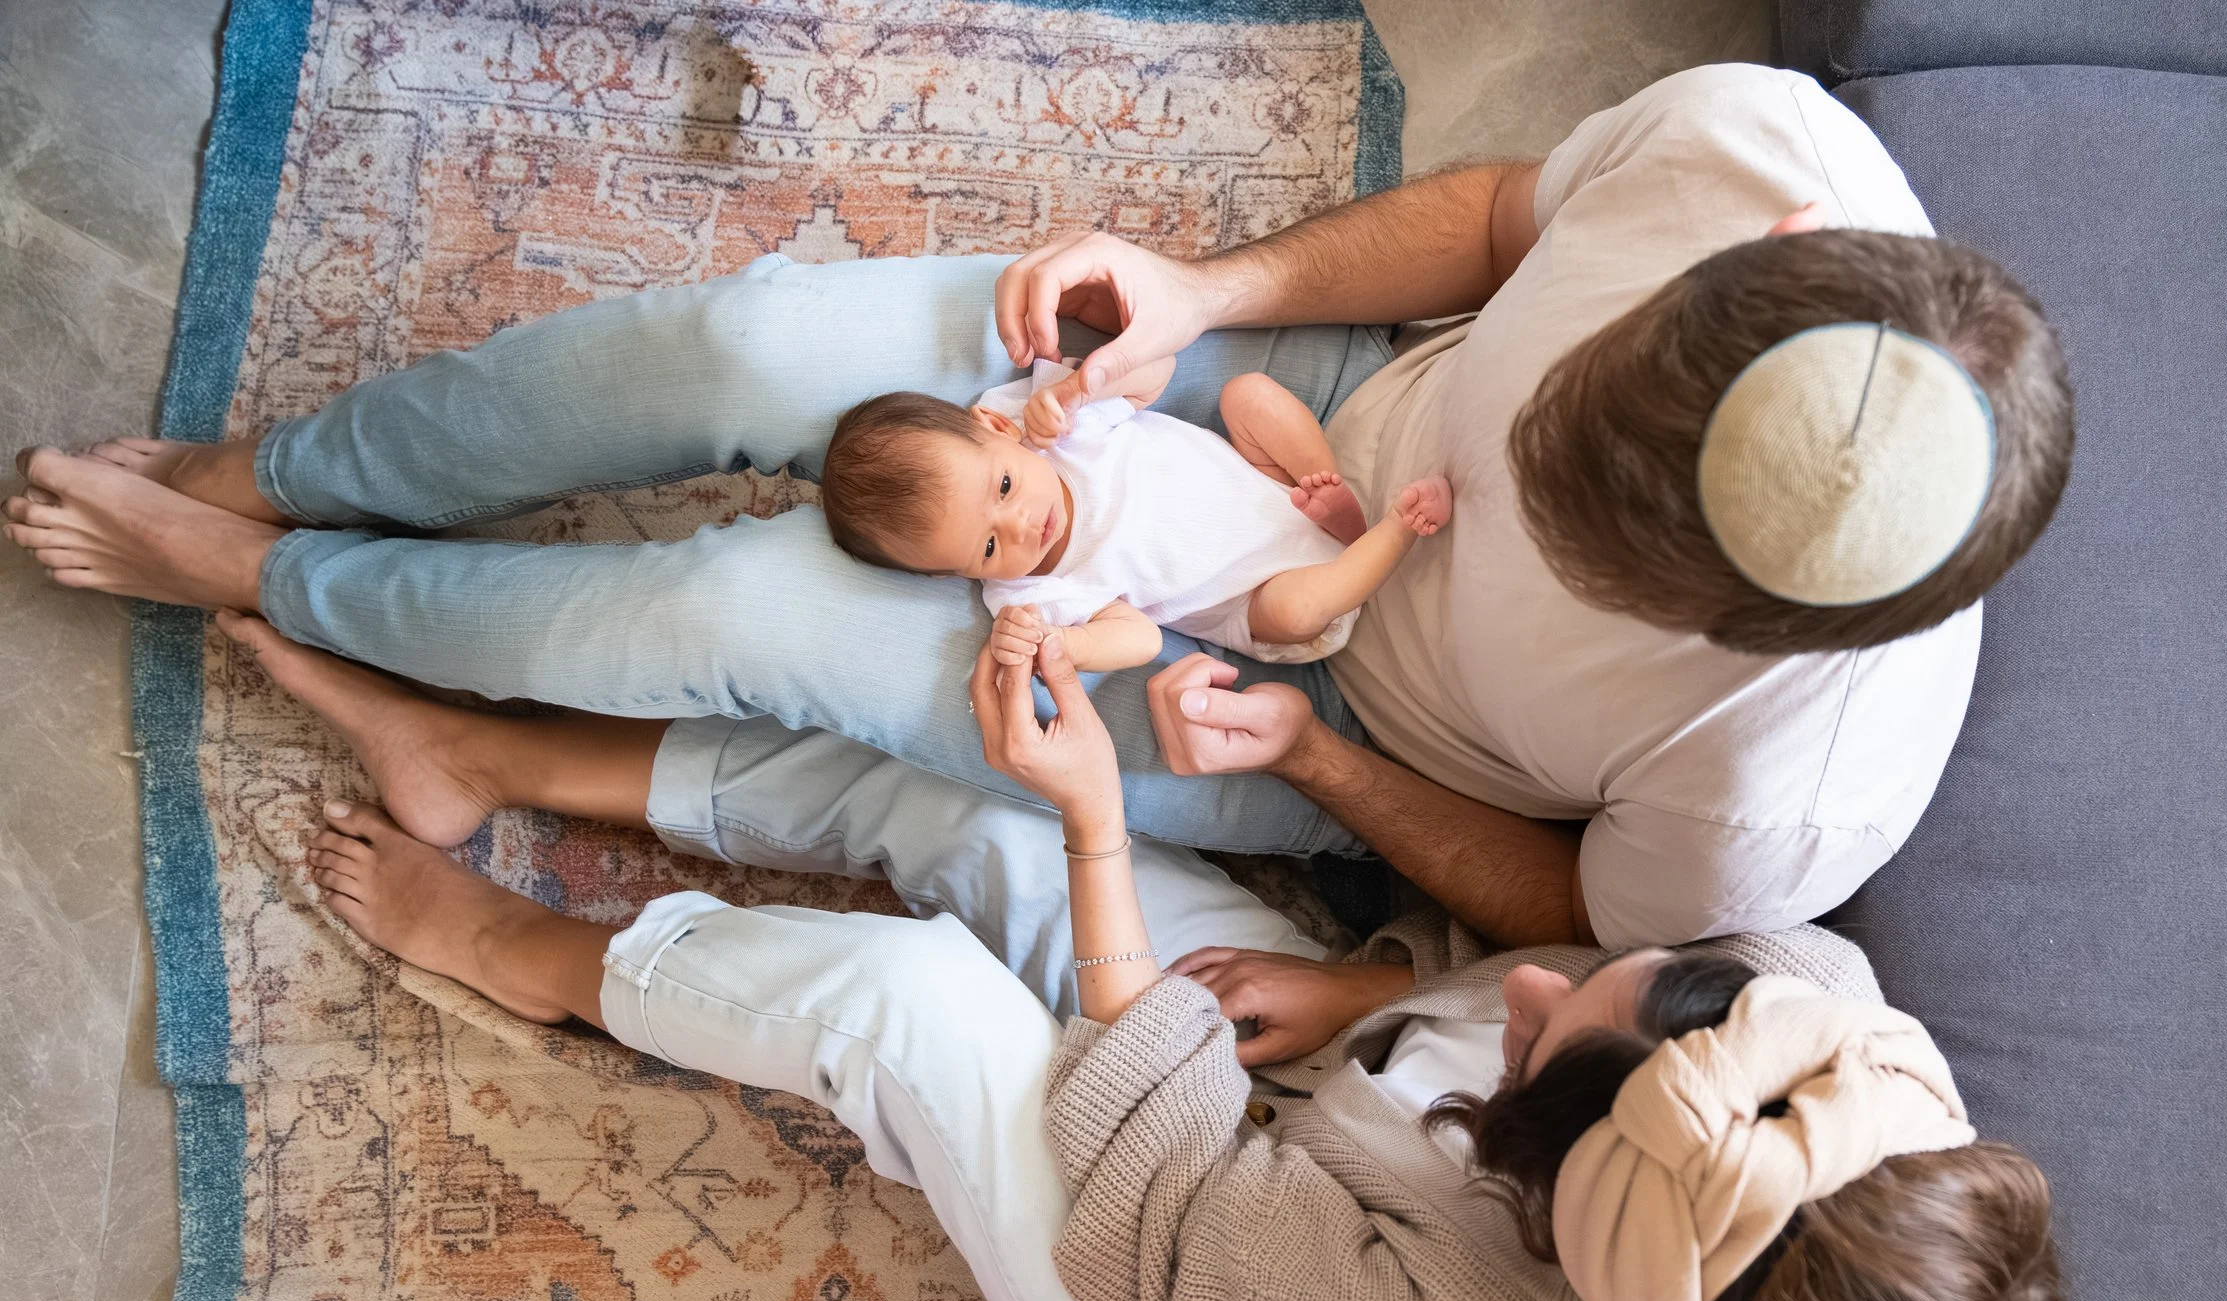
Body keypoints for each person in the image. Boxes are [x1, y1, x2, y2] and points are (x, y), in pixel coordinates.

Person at [6, 63, 2075, 961]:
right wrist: (1218, 294)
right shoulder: (1757, 156)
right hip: (1314, 413)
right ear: (1766, 255)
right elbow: (1503, 214)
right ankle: (288, 470)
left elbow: (1559, 907)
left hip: (1290, 705)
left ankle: (264, 574)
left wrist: (1331, 757)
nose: (1520, 512)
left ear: (1757, 634)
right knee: (742, 357)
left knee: (740, 603)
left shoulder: (1797, 786)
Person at [276, 620, 2064, 1301]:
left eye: (1537, 1053)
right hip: (1362, 1153)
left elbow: (1168, 1206)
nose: (1521, 985)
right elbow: (1551, 978)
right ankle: (496, 759)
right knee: (980, 820)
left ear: (1544, 1185)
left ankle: (522, 950)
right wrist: (1377, 1004)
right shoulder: (1829, 1036)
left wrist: (1103, 838)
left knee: (923, 1006)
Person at [818, 357, 1450, 671]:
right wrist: (1058, 645)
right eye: (985, 549)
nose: (1017, 527)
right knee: (1294, 612)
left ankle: (1330, 496)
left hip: (1272, 487)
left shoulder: (1054, 421)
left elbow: (1160, 368)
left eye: (1005, 486)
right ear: (949, 576)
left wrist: (1080, 388)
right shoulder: (1032, 595)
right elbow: (1142, 639)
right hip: (1255, 594)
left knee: (1248, 395)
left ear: (995, 426)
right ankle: (1394, 532)